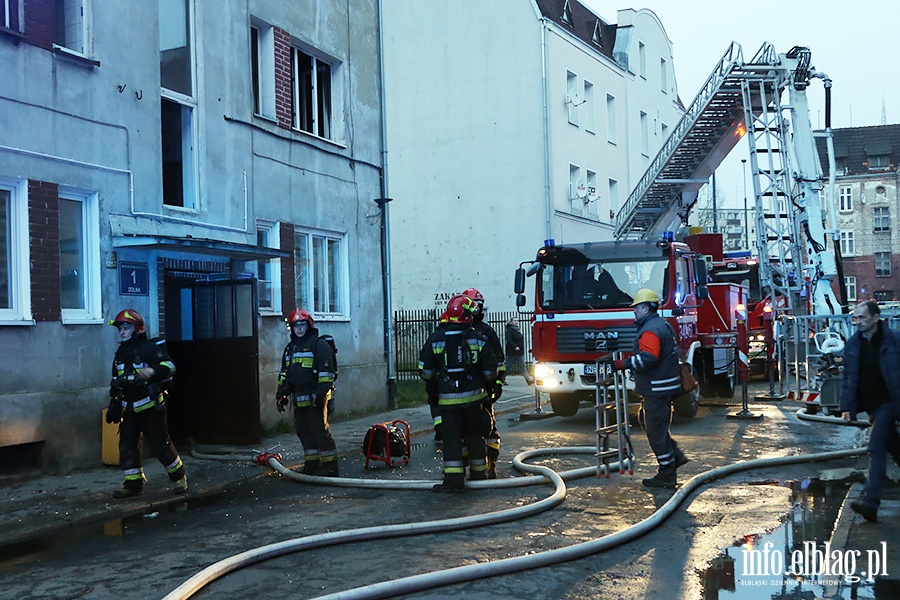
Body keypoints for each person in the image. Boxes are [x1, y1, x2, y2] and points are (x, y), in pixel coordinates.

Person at [610, 288, 688, 489]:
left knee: (655, 431)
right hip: (664, 384)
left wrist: (623, 364)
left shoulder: (650, 329)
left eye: (636, 308)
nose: (634, 312)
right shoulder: (662, 324)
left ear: (645, 307)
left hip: (657, 387)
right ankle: (675, 456)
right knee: (646, 420)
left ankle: (667, 474)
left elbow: (649, 357)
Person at [420, 294, 498, 492]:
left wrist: (434, 389)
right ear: (468, 316)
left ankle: (454, 481)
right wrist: (488, 388)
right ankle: (479, 476)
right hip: (475, 401)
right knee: (475, 435)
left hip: (448, 403)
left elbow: (425, 371)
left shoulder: (436, 339)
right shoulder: (478, 339)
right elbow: (490, 371)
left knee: (452, 440)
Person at [106, 308, 187, 499]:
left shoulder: (149, 349)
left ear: (137, 328)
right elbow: (117, 381)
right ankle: (133, 485)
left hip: (151, 408)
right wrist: (115, 404)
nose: (122, 332)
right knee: (127, 446)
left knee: (161, 446)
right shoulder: (120, 352)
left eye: (126, 327)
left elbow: (170, 366)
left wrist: (152, 372)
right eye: (120, 329)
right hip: (129, 410)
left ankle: (179, 477)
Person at [841, 300, 900, 522]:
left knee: (875, 446)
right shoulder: (854, 344)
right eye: (855, 317)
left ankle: (870, 503)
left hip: (890, 401)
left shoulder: (894, 340)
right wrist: (847, 407)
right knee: (894, 446)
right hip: (872, 404)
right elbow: (849, 377)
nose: (858, 322)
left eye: (862, 317)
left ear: (876, 318)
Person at [276, 308, 339, 477]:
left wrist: (321, 396)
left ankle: (331, 465)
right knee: (303, 431)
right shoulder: (290, 348)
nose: (299, 329)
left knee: (319, 431)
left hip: (315, 398)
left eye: (302, 325)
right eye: (296, 326)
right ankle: (312, 462)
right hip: (299, 399)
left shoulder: (318, 345)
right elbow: (285, 374)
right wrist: (280, 395)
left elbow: (327, 374)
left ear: (309, 325)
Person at [462, 288, 506, 478]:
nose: (477, 309)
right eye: (474, 305)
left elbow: (499, 360)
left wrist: (497, 384)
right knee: (463, 430)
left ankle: (491, 464)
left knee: (488, 428)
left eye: (479, 305)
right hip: (464, 390)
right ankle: (464, 466)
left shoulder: (487, 331)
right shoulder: (458, 331)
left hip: (484, 391)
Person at [505, 317, 534, 385]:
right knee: (508, 366)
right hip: (512, 352)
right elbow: (509, 340)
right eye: (515, 320)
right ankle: (501, 379)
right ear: (511, 322)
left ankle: (528, 380)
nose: (516, 322)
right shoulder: (510, 330)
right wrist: (515, 347)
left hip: (520, 352)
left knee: (522, 366)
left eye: (517, 320)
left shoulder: (517, 329)